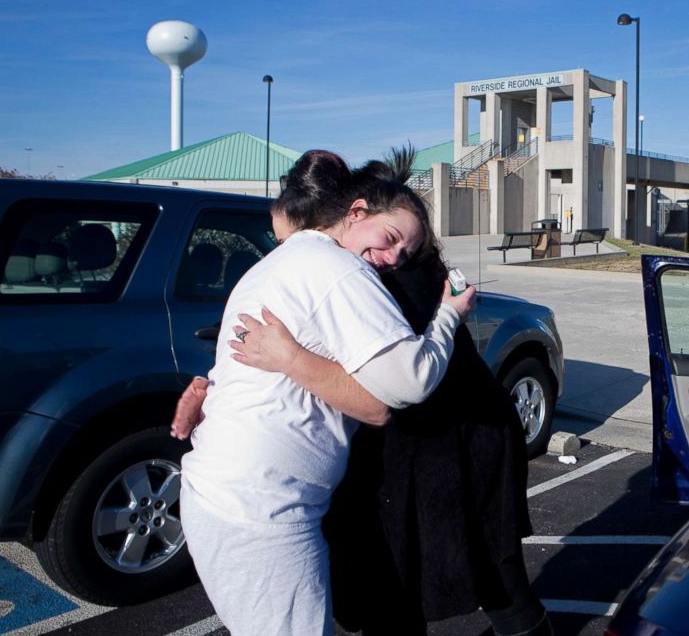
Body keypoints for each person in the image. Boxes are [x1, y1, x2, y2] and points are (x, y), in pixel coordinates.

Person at [176, 150, 552, 636]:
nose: (288, 246)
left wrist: (290, 360)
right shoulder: (330, 266)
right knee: (406, 590)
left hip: (455, 446)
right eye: (281, 239)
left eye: (290, 233)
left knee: (483, 579)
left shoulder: (363, 273)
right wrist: (220, 387)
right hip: (368, 469)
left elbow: (392, 393)